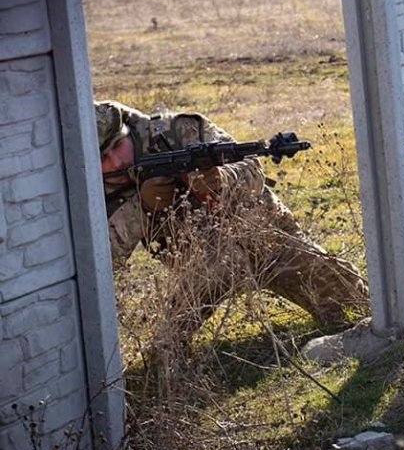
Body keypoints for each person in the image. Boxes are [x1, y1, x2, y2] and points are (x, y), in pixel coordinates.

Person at [95, 100, 370, 339]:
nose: (117, 161)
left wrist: (221, 180)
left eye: (119, 145)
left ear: (129, 130)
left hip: (264, 234)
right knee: (209, 277)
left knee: (353, 298)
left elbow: (252, 168)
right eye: (104, 158)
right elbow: (102, 265)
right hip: (201, 262)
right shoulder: (91, 195)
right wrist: (142, 209)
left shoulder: (177, 130)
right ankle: (165, 363)